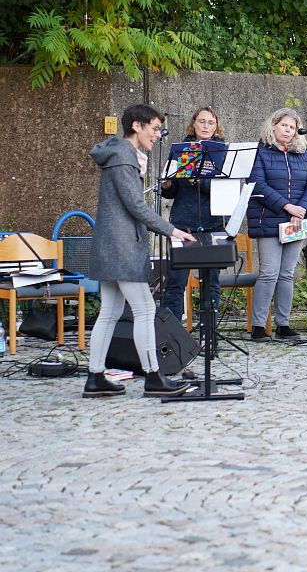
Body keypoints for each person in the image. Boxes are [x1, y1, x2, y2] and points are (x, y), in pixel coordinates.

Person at [82, 104, 195, 398]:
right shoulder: (123, 155)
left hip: (110, 244)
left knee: (110, 311)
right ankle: (154, 376)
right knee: (144, 309)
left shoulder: (119, 154)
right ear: (137, 125)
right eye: (155, 128)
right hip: (122, 246)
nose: (159, 135)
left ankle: (95, 377)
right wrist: (172, 230)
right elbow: (135, 206)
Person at [246, 108, 307, 341]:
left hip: (296, 221)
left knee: (287, 274)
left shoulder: (303, 153)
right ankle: (258, 326)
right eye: (284, 125)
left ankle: (283, 324)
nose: (288, 130)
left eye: (292, 127)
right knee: (269, 273)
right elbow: (258, 184)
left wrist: (302, 210)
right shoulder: (259, 151)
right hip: (269, 219)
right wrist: (287, 207)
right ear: (274, 125)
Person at [161, 107, 226, 322]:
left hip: (213, 223)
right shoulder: (181, 150)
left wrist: (200, 181)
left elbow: (224, 189)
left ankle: (210, 332)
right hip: (183, 224)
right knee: (176, 281)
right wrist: (168, 184)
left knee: (211, 281)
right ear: (193, 124)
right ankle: (172, 334)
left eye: (211, 122)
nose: (206, 126)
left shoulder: (222, 153)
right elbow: (170, 193)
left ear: (216, 126)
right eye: (202, 121)